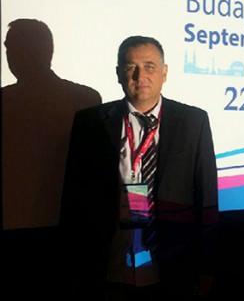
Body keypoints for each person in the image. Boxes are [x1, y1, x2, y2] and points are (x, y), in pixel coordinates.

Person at [60, 36, 218, 300]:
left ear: (165, 73)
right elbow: (73, 198)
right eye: (130, 67)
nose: (139, 75)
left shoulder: (193, 122)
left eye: (149, 66)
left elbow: (207, 196)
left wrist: (207, 265)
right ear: (118, 74)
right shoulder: (90, 122)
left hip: (172, 264)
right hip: (107, 267)